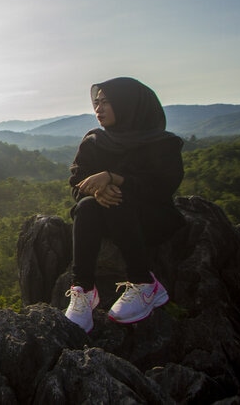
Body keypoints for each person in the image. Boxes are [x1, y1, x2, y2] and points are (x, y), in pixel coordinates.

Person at [64, 77, 185, 332]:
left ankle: (144, 284)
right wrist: (97, 192)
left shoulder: (162, 144)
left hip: (151, 218)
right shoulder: (95, 142)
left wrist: (115, 178)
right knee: (86, 207)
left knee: (118, 199)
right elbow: (77, 184)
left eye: (106, 102)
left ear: (129, 104)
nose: (98, 108)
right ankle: (83, 290)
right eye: (96, 102)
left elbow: (162, 187)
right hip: (108, 217)